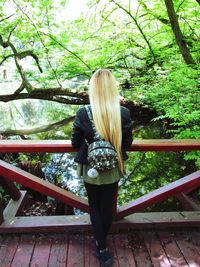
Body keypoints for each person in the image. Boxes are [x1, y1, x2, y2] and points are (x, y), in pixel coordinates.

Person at [71, 69, 133, 267]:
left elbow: (75, 143)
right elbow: (128, 143)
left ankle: (101, 246)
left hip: (90, 167)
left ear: (93, 89)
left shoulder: (83, 112)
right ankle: (102, 243)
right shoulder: (123, 113)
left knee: (94, 205)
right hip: (113, 166)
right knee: (107, 206)